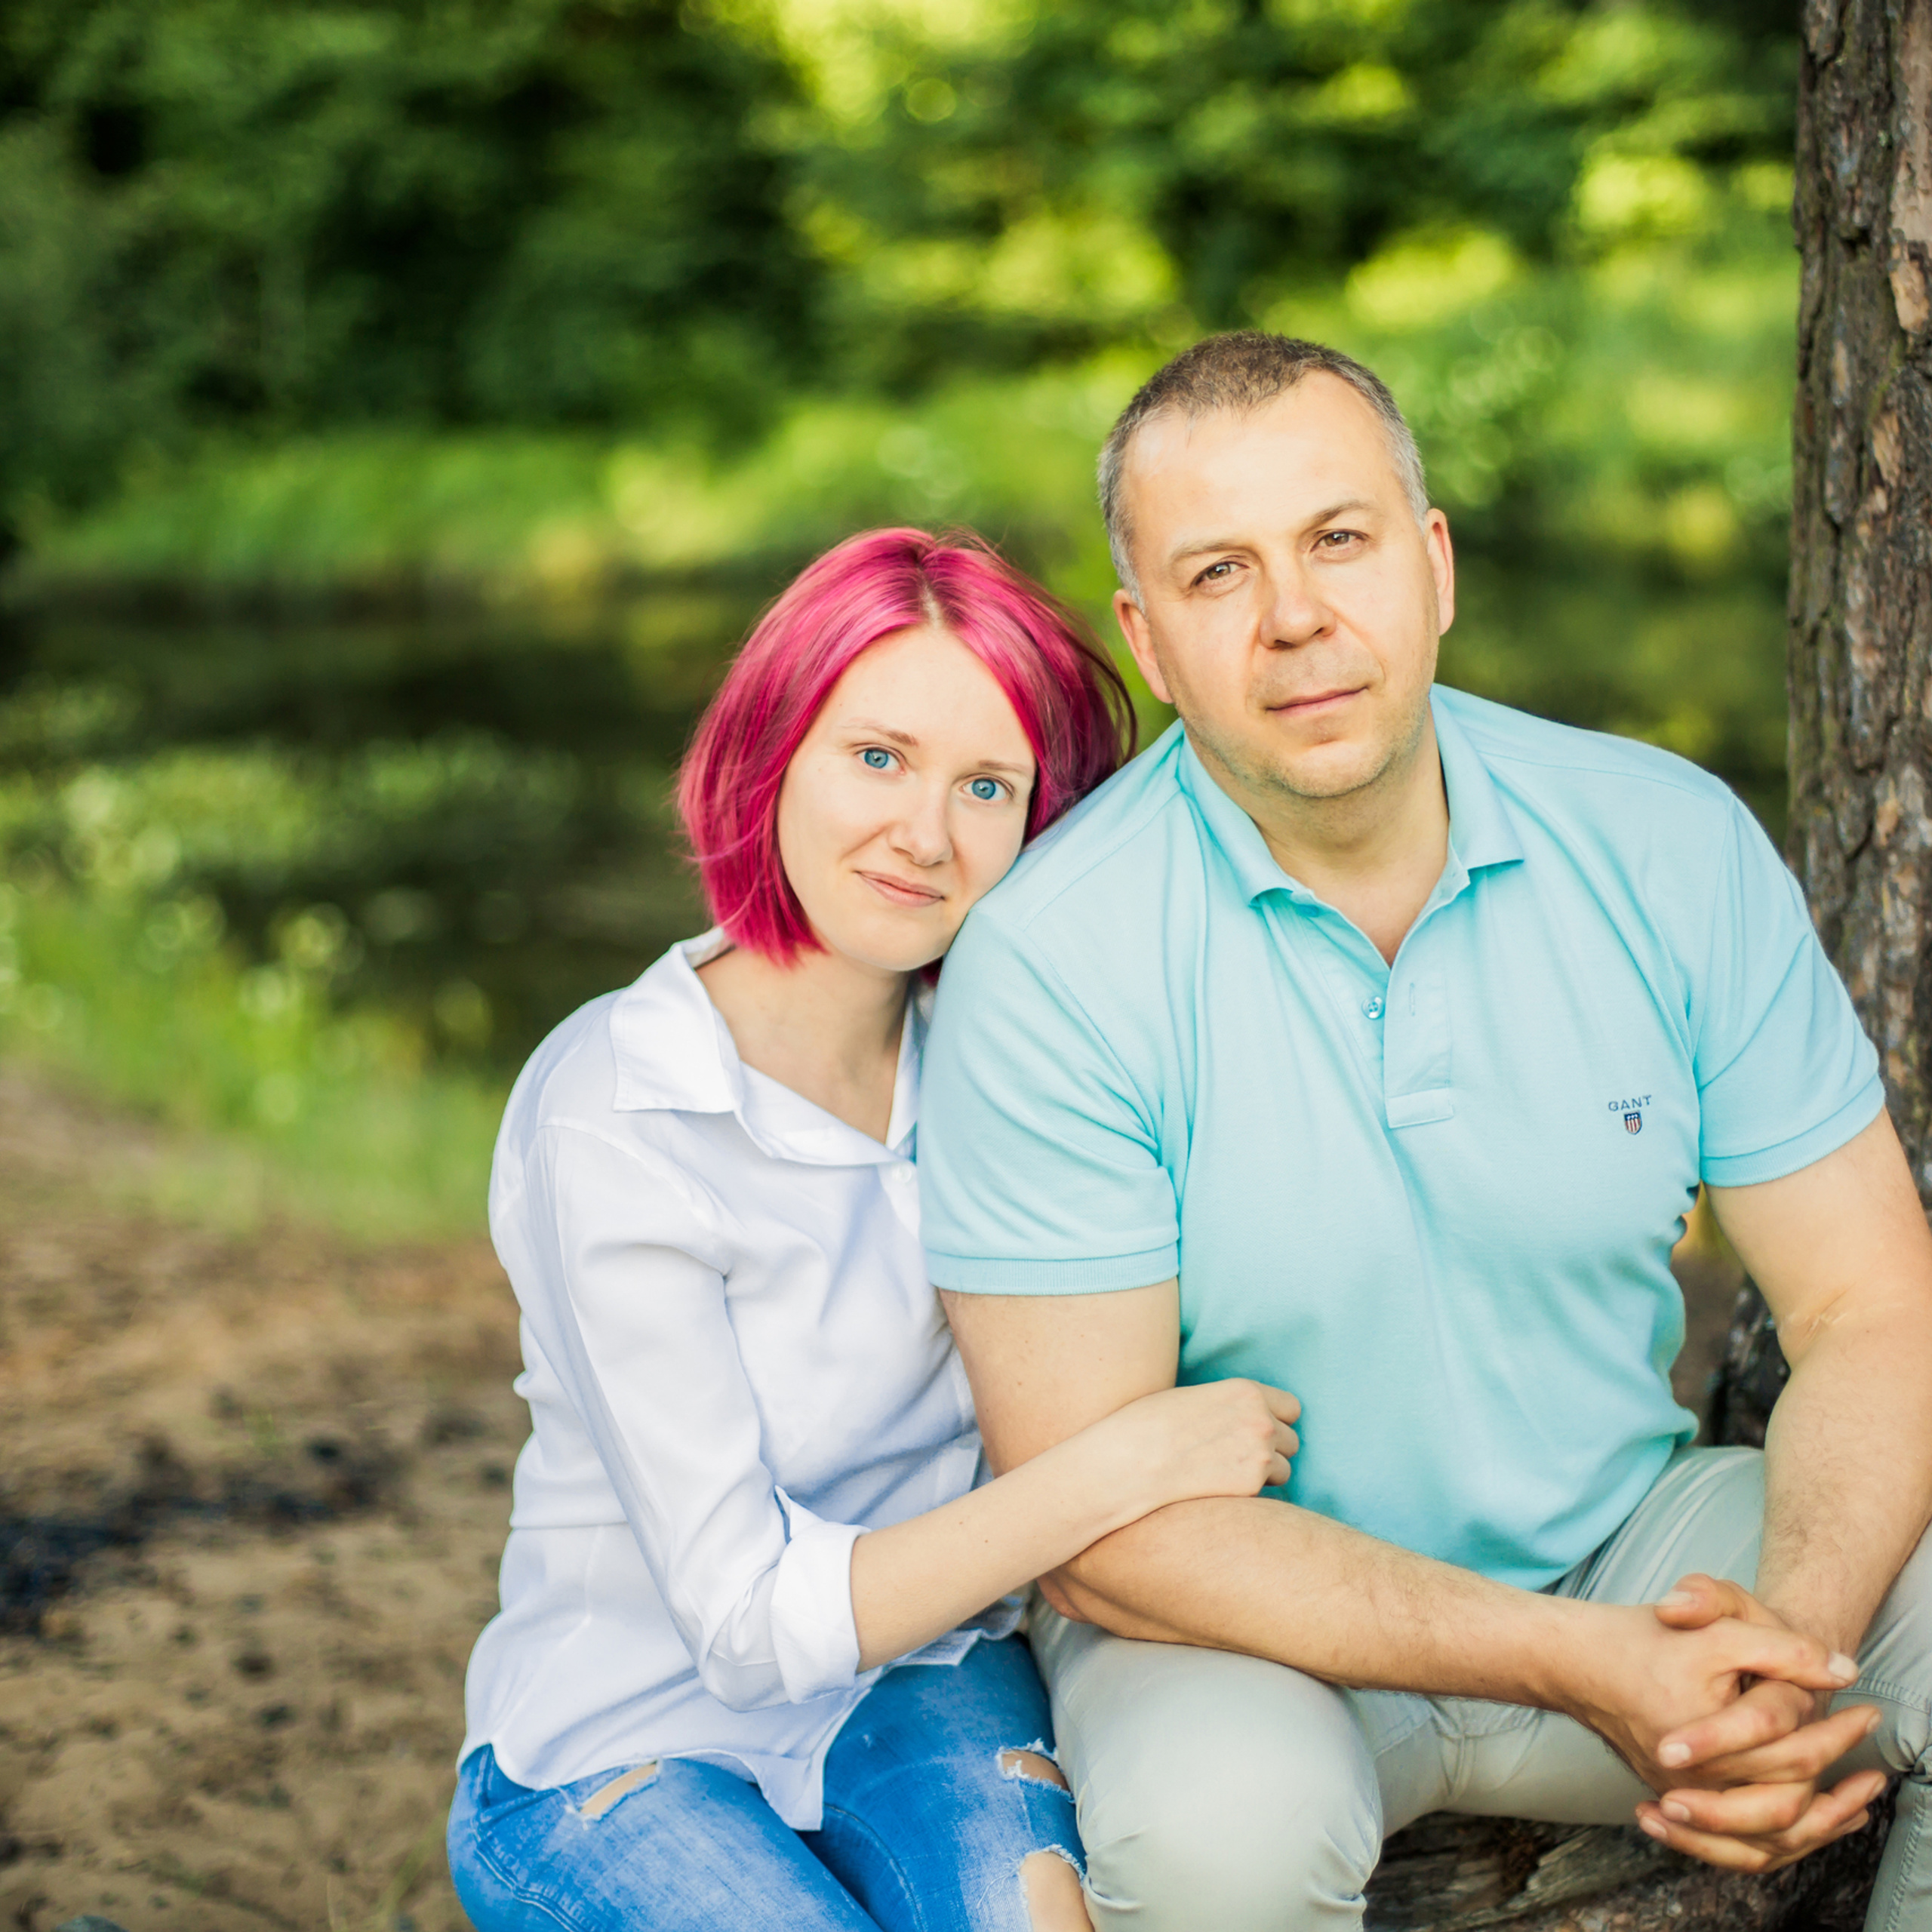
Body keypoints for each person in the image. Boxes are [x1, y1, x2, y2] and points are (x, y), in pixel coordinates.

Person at [918, 334, 1932, 1931]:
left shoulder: (1663, 844)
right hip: (1242, 1633)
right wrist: (1572, 1662)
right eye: (1215, 572)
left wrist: (1780, 1648)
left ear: (1430, 561)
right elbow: (1098, 1518)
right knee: (1211, 1840)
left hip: (1621, 1547)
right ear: (1147, 641)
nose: (1294, 616)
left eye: (1337, 538)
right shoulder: (1051, 961)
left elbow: (1867, 1299)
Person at [446, 526, 1303, 1932]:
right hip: (617, 1732)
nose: (925, 835)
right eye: (879, 757)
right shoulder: (618, 1110)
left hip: (925, 1675)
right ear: (774, 744)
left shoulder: (1011, 1057)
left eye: (988, 786)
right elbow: (738, 1624)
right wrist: (1122, 1465)